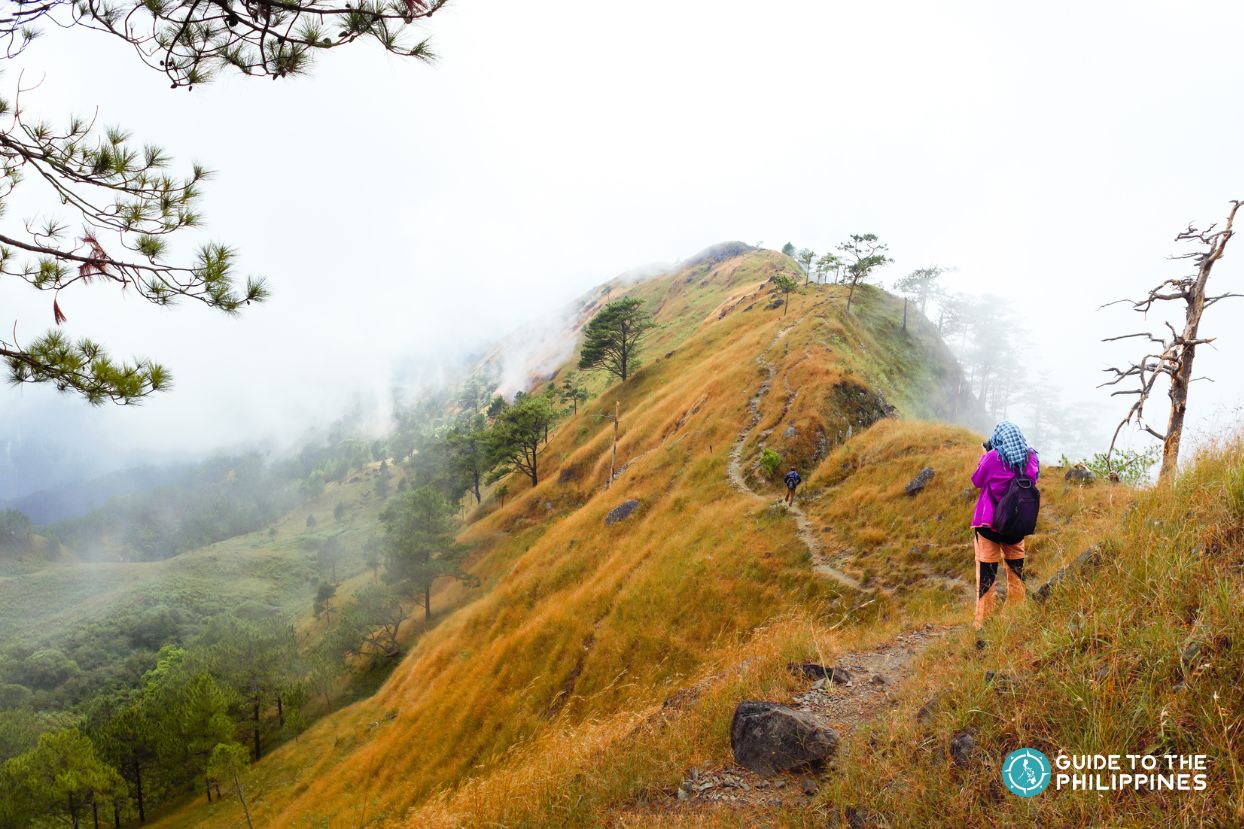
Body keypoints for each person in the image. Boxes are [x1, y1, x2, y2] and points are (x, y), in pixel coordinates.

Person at [970, 420, 1039, 632]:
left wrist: (985, 453)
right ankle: (1016, 618)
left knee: (987, 575)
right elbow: (1034, 478)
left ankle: (983, 623)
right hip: (1016, 526)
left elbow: (977, 480)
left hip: (989, 526)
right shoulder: (1031, 457)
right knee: (1016, 574)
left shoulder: (993, 457)